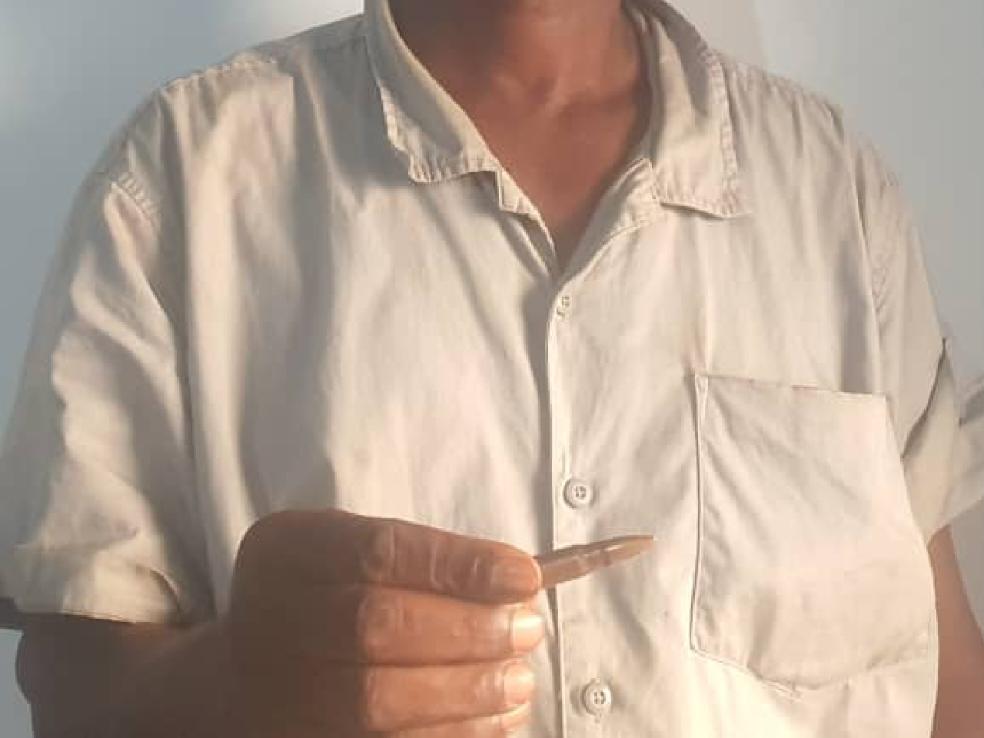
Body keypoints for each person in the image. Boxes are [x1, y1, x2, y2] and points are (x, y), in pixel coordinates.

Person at [0, 0, 982, 735]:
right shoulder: (179, 180)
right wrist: (231, 688)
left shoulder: (835, 189)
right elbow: (73, 681)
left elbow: (941, 669)